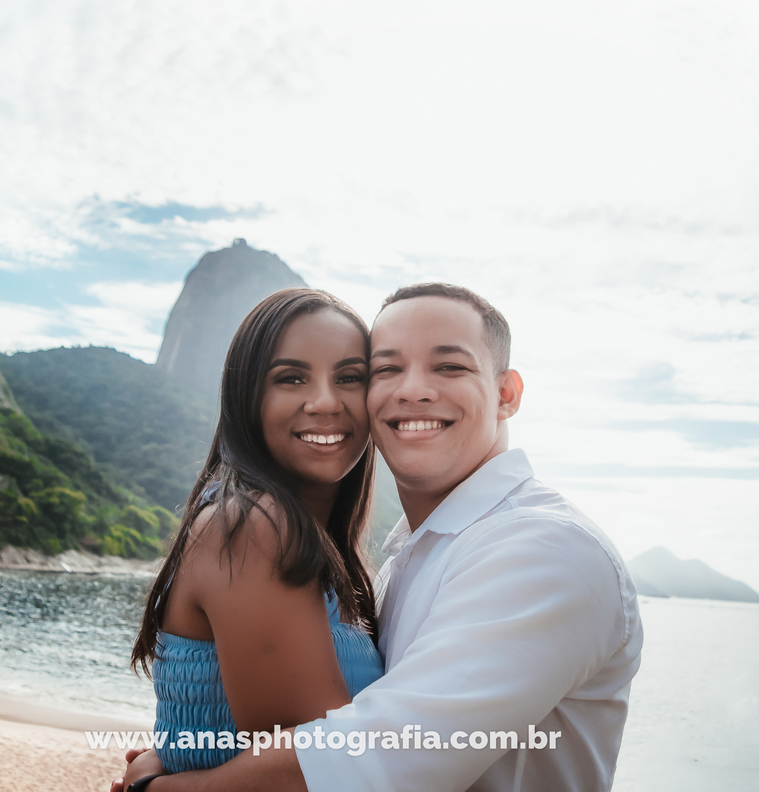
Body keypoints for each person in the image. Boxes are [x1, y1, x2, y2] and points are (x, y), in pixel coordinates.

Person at [118, 282, 643, 792]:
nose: (412, 388)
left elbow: (366, 765)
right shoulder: (395, 554)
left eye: (449, 366)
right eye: (387, 368)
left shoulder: (544, 548)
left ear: (506, 394)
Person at [126, 288, 384, 778]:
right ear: (249, 398)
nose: (326, 401)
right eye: (291, 378)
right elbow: (322, 771)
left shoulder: (317, 546)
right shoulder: (252, 527)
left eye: (351, 377)